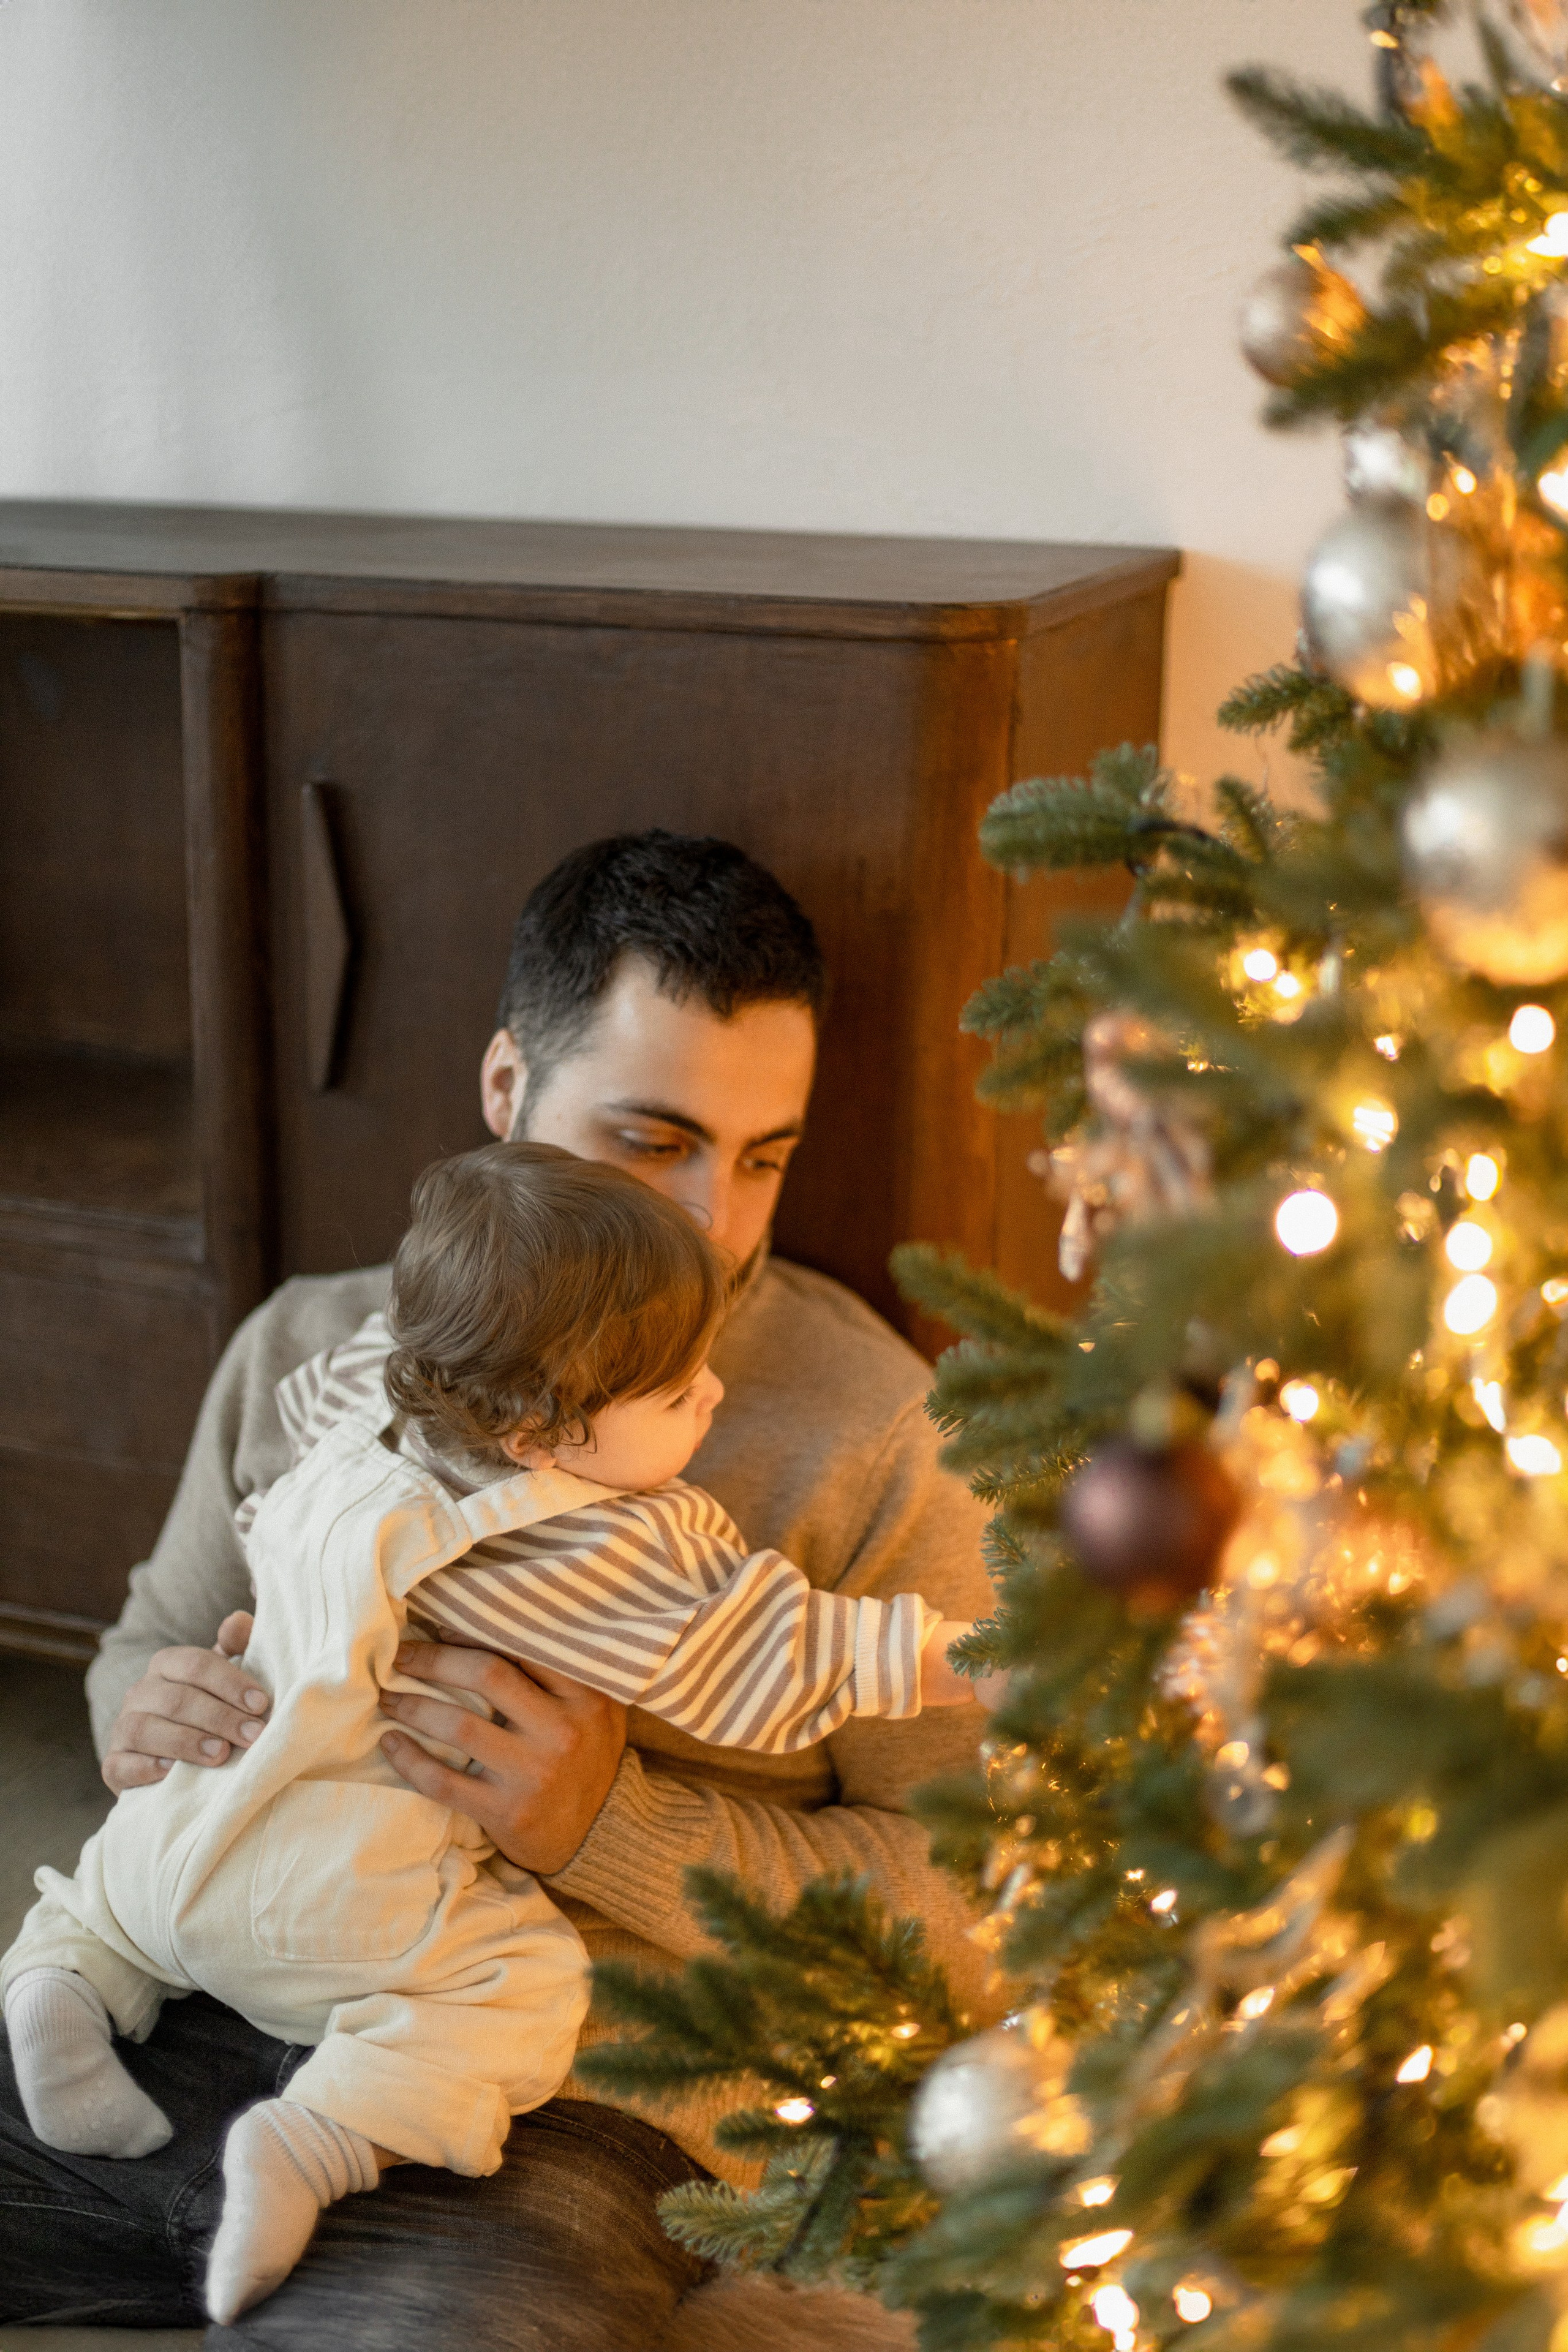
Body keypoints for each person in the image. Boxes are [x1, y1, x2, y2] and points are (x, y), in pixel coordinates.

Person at [0, 830, 995, 2351]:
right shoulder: (312, 1350)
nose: (713, 1223)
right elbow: (144, 1637)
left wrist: (613, 1828)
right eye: (650, 1140)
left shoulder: (874, 1437)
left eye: (762, 1158)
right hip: (200, 1983)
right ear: (504, 1087)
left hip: (558, 2107)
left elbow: (967, 1902)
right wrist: (154, 1708)